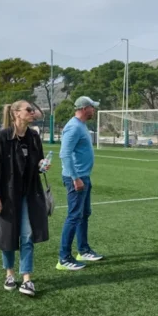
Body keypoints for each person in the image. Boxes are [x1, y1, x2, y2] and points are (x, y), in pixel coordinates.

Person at [0, 100, 50, 297]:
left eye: (32, 110)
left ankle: (27, 279)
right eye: (28, 109)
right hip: (7, 195)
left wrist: (42, 165)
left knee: (27, 235)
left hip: (29, 194)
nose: (32, 112)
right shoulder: (2, 137)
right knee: (7, 235)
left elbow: (38, 162)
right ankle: (9, 274)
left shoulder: (34, 136)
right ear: (16, 113)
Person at [56, 96, 104, 271]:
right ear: (84, 109)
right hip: (76, 178)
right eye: (92, 107)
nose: (94, 110)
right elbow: (64, 154)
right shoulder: (73, 127)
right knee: (74, 216)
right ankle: (64, 258)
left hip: (83, 176)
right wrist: (75, 178)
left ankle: (83, 250)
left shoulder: (81, 125)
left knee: (84, 214)